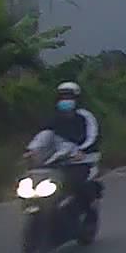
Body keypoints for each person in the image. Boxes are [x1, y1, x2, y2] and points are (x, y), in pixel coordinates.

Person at [37, 81, 102, 216]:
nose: (65, 100)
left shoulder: (85, 116)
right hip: (60, 161)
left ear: (77, 99)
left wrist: (82, 150)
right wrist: (32, 151)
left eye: (69, 97)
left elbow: (93, 136)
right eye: (62, 97)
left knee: (79, 185)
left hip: (84, 160)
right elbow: (43, 136)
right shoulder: (54, 118)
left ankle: (86, 211)